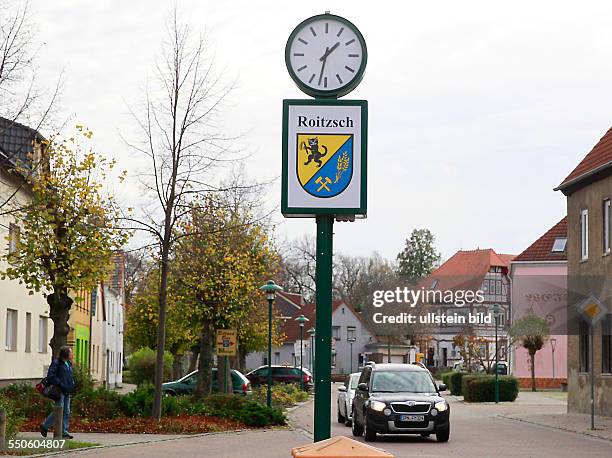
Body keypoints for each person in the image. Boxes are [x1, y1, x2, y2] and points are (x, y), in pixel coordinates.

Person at [40, 346, 75, 439]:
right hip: (59, 390)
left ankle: (64, 431)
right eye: (71, 352)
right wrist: (60, 383)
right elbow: (51, 376)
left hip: (67, 390)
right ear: (66, 353)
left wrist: (72, 383)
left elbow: (69, 376)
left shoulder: (68, 363)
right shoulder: (57, 363)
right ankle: (45, 425)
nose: (72, 354)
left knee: (66, 411)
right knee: (59, 410)